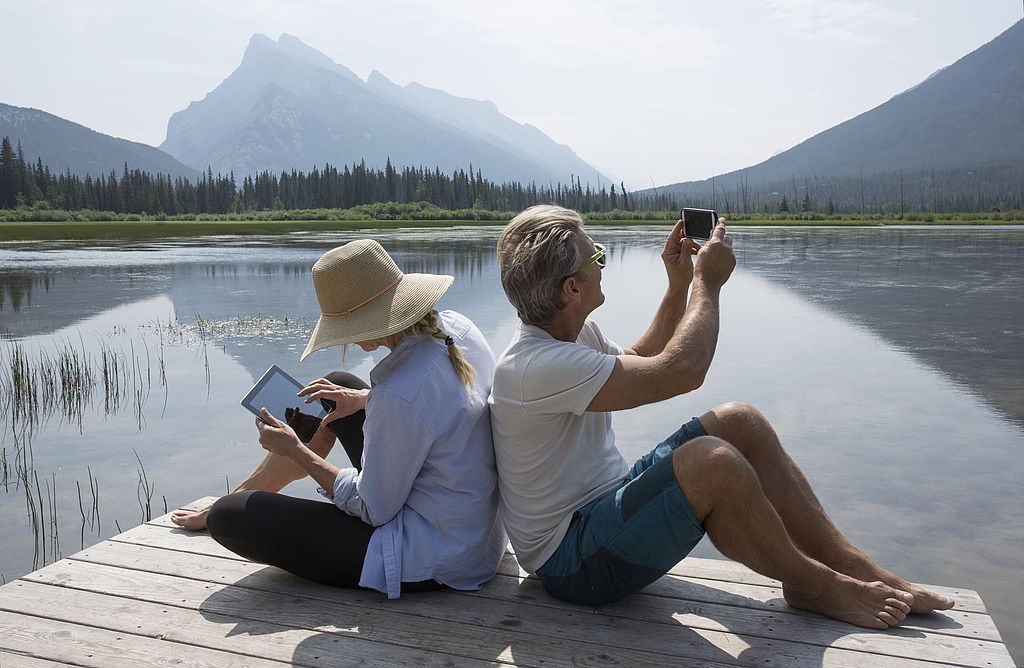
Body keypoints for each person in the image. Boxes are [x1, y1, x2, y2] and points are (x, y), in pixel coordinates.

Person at [489, 205, 954, 628]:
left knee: (739, 420)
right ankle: (816, 585)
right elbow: (683, 370)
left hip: (601, 515)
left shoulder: (570, 337)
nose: (602, 265)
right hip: (572, 563)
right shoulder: (535, 368)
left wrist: (677, 282)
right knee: (713, 462)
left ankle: (849, 563)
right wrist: (705, 285)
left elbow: (642, 358)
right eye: (599, 259)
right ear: (572, 288)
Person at [171, 239, 506, 598]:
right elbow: (437, 406)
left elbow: (372, 509)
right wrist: (365, 399)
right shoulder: (457, 327)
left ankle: (236, 498)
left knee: (229, 516)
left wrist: (297, 451)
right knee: (338, 387)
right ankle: (250, 489)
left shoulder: (399, 394)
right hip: (476, 535)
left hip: (433, 557)